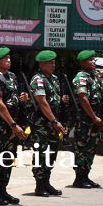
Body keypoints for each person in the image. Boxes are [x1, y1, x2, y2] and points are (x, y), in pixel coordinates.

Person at [0, 47, 29, 205]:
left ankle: (3, 190)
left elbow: (13, 99)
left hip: (11, 125)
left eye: (9, 58)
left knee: (8, 158)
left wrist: (24, 97)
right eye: (5, 58)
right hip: (0, 125)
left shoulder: (12, 77)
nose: (9, 60)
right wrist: (13, 124)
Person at [30, 50, 70, 196]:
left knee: (52, 152)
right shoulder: (38, 79)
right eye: (50, 63)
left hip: (54, 121)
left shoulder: (54, 79)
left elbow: (53, 98)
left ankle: (47, 182)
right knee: (41, 153)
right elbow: (42, 103)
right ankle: (39, 184)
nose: (53, 65)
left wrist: (62, 99)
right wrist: (54, 121)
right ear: (41, 64)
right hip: (42, 122)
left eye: (54, 62)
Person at [71, 50, 103, 188]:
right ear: (82, 63)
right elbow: (83, 98)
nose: (93, 62)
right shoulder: (81, 77)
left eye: (94, 59)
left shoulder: (95, 76)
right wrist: (94, 117)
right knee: (82, 148)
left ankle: (86, 176)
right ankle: (79, 178)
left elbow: (97, 95)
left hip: (95, 118)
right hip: (85, 119)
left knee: (91, 148)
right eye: (90, 60)